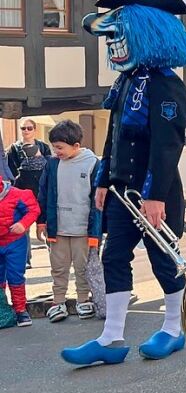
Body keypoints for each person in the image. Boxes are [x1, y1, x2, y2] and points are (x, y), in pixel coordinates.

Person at [60, 0, 186, 366]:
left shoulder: (167, 85)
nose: (113, 45)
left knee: (162, 260)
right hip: (121, 192)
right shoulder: (125, 83)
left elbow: (168, 146)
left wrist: (154, 196)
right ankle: (111, 338)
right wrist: (104, 180)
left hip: (155, 193)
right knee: (113, 256)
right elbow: (114, 137)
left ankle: (173, 329)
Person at [36, 119, 103, 322]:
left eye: (60, 148)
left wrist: (95, 233)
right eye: (54, 147)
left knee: (82, 267)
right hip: (58, 228)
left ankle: (83, 300)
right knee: (58, 266)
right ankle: (58, 302)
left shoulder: (92, 163)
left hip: (83, 228)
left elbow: (98, 202)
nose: (56, 152)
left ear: (76, 145)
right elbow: (44, 192)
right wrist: (41, 221)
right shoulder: (52, 164)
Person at [0, 176, 40, 327]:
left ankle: (20, 310)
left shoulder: (16, 194)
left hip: (14, 242)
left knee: (15, 276)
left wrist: (23, 224)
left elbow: (33, 209)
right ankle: (2, 310)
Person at [7, 118, 51, 197]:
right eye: (23, 128)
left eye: (29, 128)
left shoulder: (44, 146)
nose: (26, 130)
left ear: (34, 130)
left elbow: (49, 167)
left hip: (41, 186)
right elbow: (11, 169)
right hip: (22, 187)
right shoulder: (13, 148)